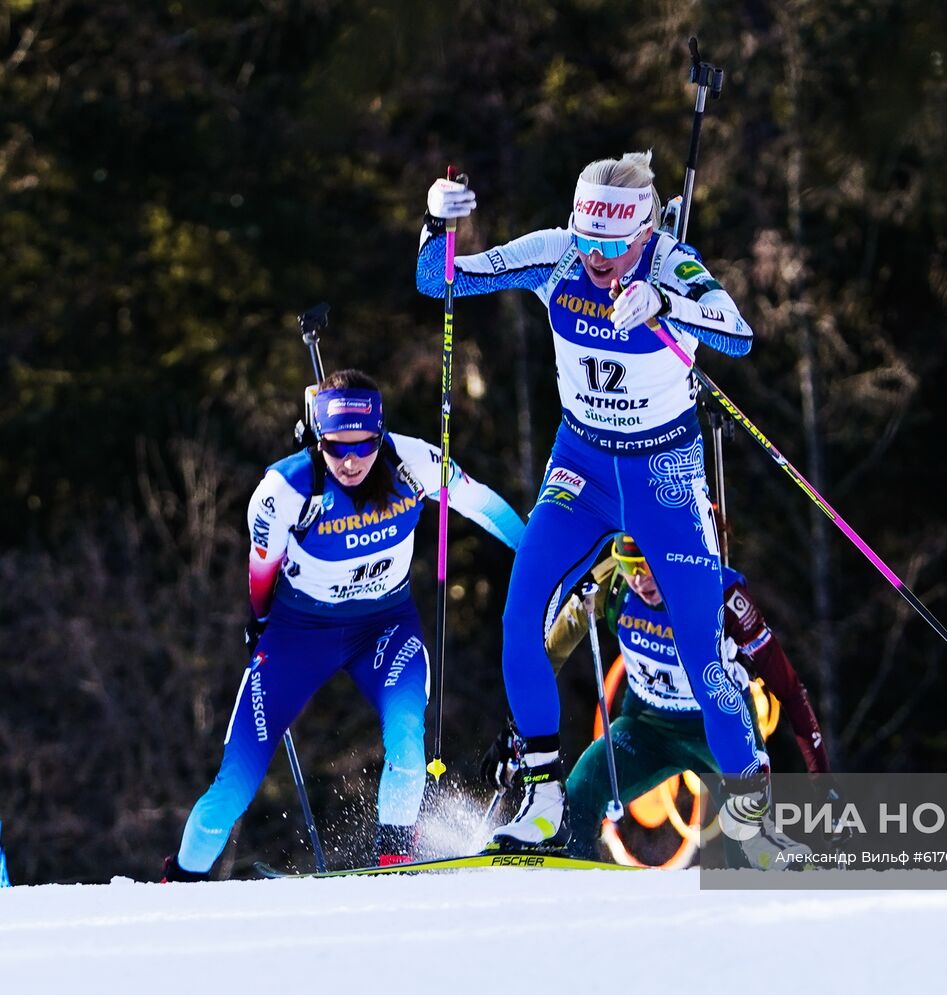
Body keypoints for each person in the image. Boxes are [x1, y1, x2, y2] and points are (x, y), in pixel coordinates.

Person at [416, 151, 794, 864]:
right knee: (520, 613)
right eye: (588, 241)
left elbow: (737, 333)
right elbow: (437, 281)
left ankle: (756, 822)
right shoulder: (557, 258)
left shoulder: (672, 263)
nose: (598, 261)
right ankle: (543, 797)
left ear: (645, 236)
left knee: (703, 651)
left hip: (664, 473)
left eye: (614, 249)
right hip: (583, 465)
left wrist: (670, 305)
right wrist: (436, 223)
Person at [162, 370, 525, 881]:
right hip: (299, 634)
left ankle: (394, 858)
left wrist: (538, 561)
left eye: (363, 446)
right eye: (335, 449)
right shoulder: (283, 490)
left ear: (381, 435)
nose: (350, 461)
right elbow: (261, 567)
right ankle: (178, 882)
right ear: (317, 438)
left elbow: (483, 505)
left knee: (406, 736)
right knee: (233, 788)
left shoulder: (415, 463)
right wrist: (260, 619)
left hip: (384, 625)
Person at [544, 536, 830, 864]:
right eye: (629, 566)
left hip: (719, 729)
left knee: (749, 841)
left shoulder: (721, 592)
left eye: (647, 566)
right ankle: (569, 881)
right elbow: (552, 652)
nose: (639, 580)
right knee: (576, 801)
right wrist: (519, 727)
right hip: (645, 727)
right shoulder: (611, 583)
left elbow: (791, 691)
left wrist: (823, 779)